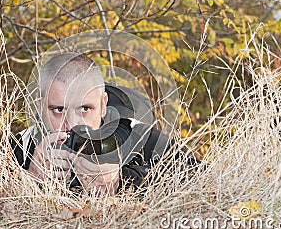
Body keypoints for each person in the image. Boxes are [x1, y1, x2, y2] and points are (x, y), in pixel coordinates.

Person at [10, 53, 199, 196]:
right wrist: (30, 178)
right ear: (40, 106)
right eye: (58, 110)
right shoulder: (22, 144)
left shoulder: (137, 136)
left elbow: (200, 179)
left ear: (103, 105)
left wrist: (122, 181)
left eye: (84, 109)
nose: (72, 125)